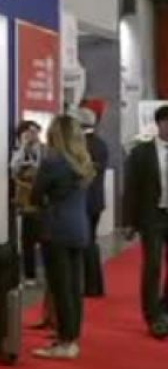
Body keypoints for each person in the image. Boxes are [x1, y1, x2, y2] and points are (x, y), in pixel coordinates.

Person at [29, 115, 95, 360]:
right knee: (74, 287)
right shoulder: (83, 162)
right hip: (79, 227)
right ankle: (71, 337)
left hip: (56, 229)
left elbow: (36, 195)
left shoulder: (53, 162)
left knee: (60, 286)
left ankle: (65, 341)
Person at [123, 104, 168, 339]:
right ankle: (152, 316)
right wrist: (129, 221)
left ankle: (165, 309)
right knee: (153, 265)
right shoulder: (141, 153)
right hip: (152, 216)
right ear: (159, 124)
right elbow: (131, 188)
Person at [79, 108, 109, 298]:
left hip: (83, 201)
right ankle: (95, 285)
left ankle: (89, 285)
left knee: (86, 243)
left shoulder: (82, 145)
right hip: (96, 200)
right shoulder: (100, 143)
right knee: (91, 241)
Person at [11, 120, 44, 285]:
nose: (33, 135)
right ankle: (30, 275)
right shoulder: (19, 151)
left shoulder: (44, 149)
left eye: (36, 132)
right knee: (27, 240)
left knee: (45, 238)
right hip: (26, 201)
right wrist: (23, 147)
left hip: (43, 201)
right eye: (29, 132)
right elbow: (13, 169)